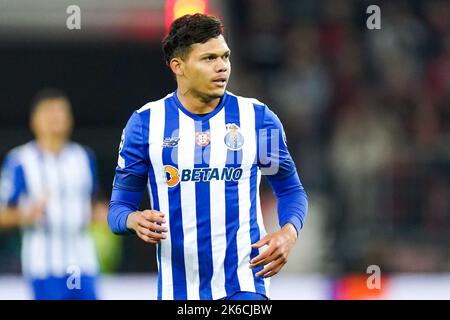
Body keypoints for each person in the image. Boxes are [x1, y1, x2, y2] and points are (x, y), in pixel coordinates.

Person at [108, 13, 308, 300]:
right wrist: (133, 220)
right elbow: (117, 210)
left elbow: (290, 189)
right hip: (178, 291)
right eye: (209, 59)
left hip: (244, 284)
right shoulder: (146, 124)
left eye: (225, 56)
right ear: (178, 66)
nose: (222, 67)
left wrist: (289, 232)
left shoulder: (257, 119)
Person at [0, 88, 103, 300]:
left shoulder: (83, 157)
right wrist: (25, 214)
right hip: (44, 265)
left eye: (60, 112)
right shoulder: (20, 160)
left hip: (82, 262)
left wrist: (105, 214)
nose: (55, 118)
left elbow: (93, 204)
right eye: (49, 113)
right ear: (34, 121)